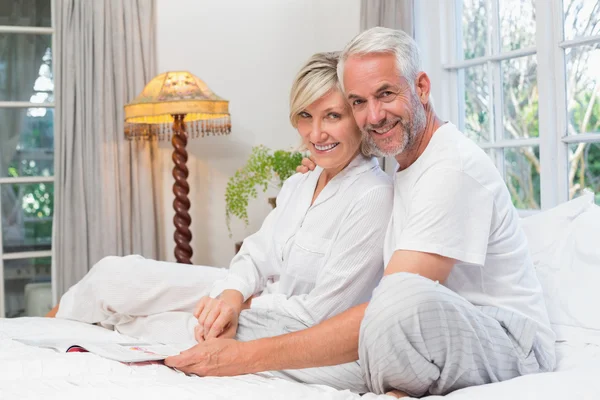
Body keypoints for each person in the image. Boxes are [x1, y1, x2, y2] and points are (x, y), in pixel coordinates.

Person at [165, 27, 556, 398]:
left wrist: (244, 359)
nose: (373, 116)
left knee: (392, 302)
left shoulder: (449, 168)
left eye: (386, 94)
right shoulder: (404, 164)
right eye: (358, 103)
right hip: (425, 336)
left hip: (510, 344)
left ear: (421, 87)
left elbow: (396, 305)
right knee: (242, 329)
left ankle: (270, 358)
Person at [51, 52, 393, 393]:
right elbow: (255, 254)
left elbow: (321, 316)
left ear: (358, 118)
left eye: (332, 116)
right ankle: (32, 330)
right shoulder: (301, 182)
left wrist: (241, 305)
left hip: (297, 338)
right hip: (250, 303)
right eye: (305, 115)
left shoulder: (373, 196)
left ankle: (35, 338)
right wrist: (230, 296)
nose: (316, 133)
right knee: (115, 275)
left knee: (150, 324)